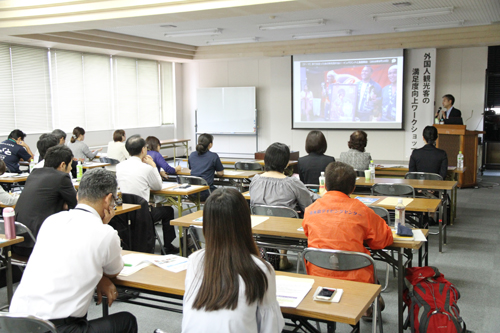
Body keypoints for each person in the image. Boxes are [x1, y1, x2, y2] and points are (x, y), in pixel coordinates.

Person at [10, 168, 138, 333]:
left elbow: (67, 257)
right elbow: (114, 270)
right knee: (127, 321)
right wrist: (104, 227)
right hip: (55, 328)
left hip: (14, 323)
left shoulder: (52, 220)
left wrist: (99, 278)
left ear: (78, 195)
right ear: (108, 199)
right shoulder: (106, 233)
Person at [182, 188, 284, 333]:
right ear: (245, 223)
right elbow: (271, 328)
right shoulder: (260, 269)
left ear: (207, 225)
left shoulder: (194, 260)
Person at [302, 161, 393, 283]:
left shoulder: (310, 210)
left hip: (318, 277)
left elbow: (308, 233)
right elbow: (382, 240)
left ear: (326, 186)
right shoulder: (362, 210)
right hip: (357, 280)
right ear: (353, 189)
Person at [116, 135, 178, 254]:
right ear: (144, 150)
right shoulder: (146, 168)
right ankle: (168, 246)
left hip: (125, 213)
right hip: (143, 213)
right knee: (168, 211)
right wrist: (153, 166)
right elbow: (158, 186)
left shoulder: (119, 166)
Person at [13, 145, 78, 257]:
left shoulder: (34, 174)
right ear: (63, 165)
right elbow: (77, 206)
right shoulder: (61, 177)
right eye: (70, 165)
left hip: (17, 240)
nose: (71, 168)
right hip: (37, 245)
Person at [250, 142, 318, 213]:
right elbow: (308, 207)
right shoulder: (292, 183)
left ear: (265, 160)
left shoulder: (255, 181)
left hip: (260, 223)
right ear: (286, 164)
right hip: (287, 223)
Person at [188, 133, 224, 202]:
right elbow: (220, 173)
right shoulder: (213, 156)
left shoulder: (192, 155)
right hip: (206, 192)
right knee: (224, 194)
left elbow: (191, 169)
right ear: (210, 144)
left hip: (191, 192)